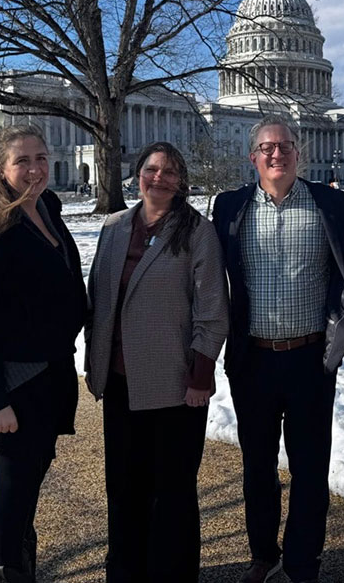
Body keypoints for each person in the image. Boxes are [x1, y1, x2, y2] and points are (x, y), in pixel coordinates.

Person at [212, 114, 344, 583]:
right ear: (252, 156)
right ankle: (263, 553)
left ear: (300, 152)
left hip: (310, 358)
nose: (277, 154)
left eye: (285, 146)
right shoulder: (229, 207)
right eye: (267, 148)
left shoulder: (331, 203)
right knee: (257, 465)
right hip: (252, 358)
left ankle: (303, 562)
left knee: (310, 467)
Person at [0, 123, 87, 583]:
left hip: (49, 372)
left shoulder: (47, 209)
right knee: (13, 488)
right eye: (22, 161)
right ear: (0, 168)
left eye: (41, 158)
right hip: (9, 380)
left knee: (29, 481)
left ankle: (23, 567)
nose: (34, 169)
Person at [85, 141, 229, 582]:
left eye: (169, 171)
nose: (159, 178)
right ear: (138, 174)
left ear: (181, 180)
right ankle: (126, 572)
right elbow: (98, 298)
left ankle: (172, 573)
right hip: (121, 380)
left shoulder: (196, 231)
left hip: (175, 384)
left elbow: (213, 312)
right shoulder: (114, 227)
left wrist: (200, 377)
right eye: (151, 169)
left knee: (172, 491)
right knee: (124, 489)